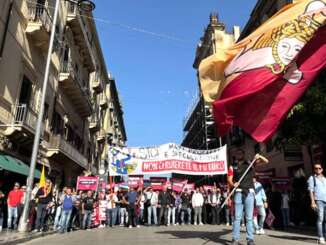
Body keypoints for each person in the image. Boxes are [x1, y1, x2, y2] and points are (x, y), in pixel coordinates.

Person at [228, 149, 256, 245]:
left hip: (249, 192)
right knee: (237, 217)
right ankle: (235, 239)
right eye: (237, 153)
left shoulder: (249, 163)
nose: (239, 155)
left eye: (241, 153)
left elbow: (264, 162)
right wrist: (233, 184)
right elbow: (229, 179)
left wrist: (257, 157)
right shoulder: (232, 166)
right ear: (235, 155)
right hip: (239, 192)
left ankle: (250, 239)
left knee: (249, 218)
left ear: (244, 154)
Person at [308, 162, 326, 244]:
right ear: (314, 170)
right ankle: (320, 237)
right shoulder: (312, 178)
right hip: (318, 200)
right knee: (320, 219)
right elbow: (311, 191)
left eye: (319, 168)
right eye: (316, 168)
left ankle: (324, 236)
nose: (317, 169)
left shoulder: (325, 179)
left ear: (322, 169)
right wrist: (312, 202)